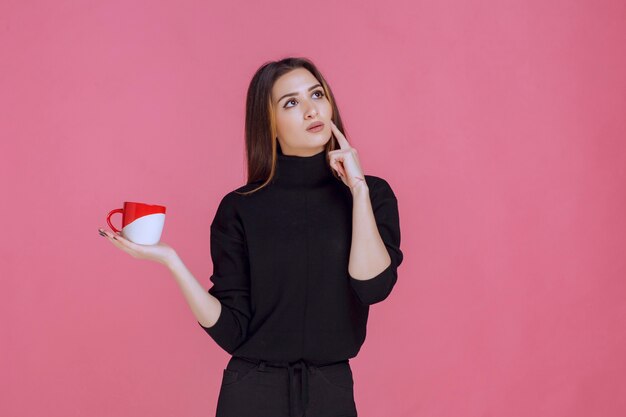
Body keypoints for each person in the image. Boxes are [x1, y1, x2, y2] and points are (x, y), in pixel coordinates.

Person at [98, 57, 403, 417]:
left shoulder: (372, 196)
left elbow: (373, 288)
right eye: (291, 102)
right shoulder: (239, 209)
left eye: (316, 94)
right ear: (269, 124)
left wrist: (358, 190)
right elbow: (233, 330)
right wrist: (171, 261)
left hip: (330, 391)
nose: (310, 110)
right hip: (251, 393)